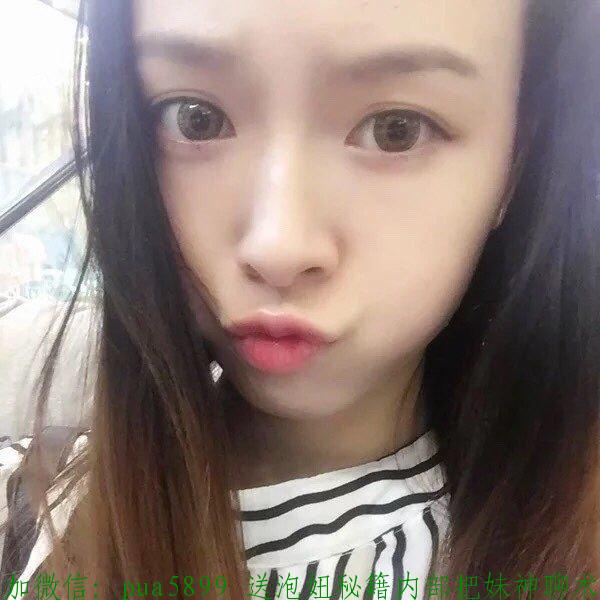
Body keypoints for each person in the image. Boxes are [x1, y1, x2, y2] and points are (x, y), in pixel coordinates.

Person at [1, 0, 599, 598]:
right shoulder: (50, 491)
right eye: (196, 120)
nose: (277, 247)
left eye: (396, 129)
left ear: (514, 164)